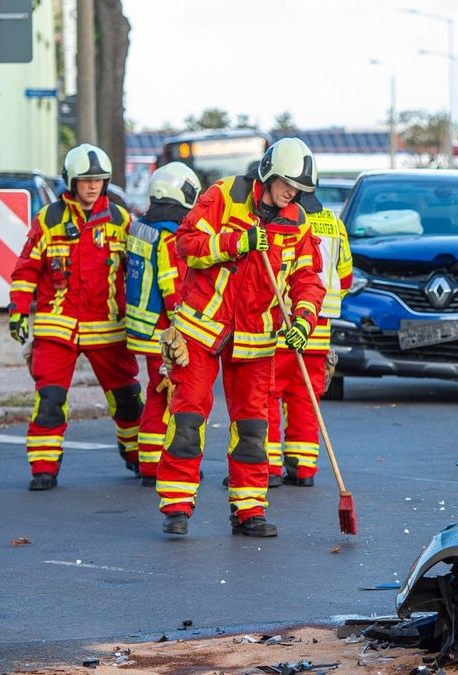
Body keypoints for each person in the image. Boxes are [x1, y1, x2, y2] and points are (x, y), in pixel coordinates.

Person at [156, 138, 325, 538]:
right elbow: (187, 245)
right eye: (287, 184)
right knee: (188, 416)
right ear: (268, 173)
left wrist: (303, 321)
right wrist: (237, 242)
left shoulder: (297, 220)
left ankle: (249, 510)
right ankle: (176, 506)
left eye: (299, 189)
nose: (292, 194)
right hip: (201, 327)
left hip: (256, 337)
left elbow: (308, 280)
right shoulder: (224, 196)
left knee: (252, 428)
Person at [7, 144, 143, 490]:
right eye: (86, 180)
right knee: (49, 400)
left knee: (127, 399)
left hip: (108, 328)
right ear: (71, 181)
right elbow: (26, 269)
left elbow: (138, 273)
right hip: (58, 327)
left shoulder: (119, 219)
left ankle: (138, 455)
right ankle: (43, 467)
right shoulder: (49, 220)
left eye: (98, 180)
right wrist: (19, 310)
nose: (93, 186)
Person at [124, 162, 201, 487]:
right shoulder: (170, 235)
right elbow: (174, 287)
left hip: (141, 329)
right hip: (164, 332)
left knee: (156, 393)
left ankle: (149, 462)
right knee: (171, 396)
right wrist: (182, 329)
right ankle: (160, 467)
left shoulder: (140, 227)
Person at [267, 205, 352, 487]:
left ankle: (267, 467)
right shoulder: (334, 223)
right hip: (319, 327)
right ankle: (302, 468)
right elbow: (346, 277)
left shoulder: (285, 219)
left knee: (268, 394)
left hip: (284, 324)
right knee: (306, 398)